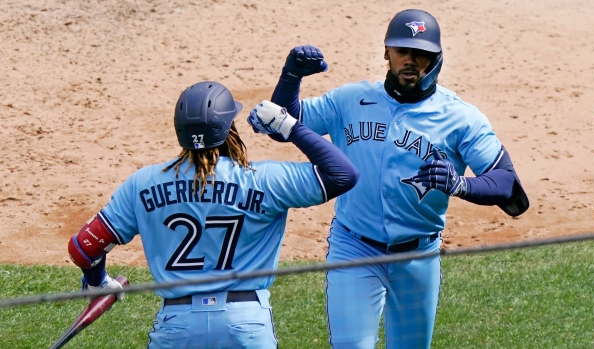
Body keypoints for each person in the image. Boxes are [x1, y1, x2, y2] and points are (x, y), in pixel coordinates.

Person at [269, 9, 529, 349]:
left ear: (436, 59)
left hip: (419, 254)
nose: (411, 61)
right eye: (403, 51)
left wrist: (458, 184)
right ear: (386, 52)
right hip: (354, 248)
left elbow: (506, 182)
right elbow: (282, 123)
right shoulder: (350, 100)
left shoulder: (461, 117)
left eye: (421, 54)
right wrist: (291, 77)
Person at [66, 81, 359, 349]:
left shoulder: (142, 183)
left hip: (176, 326)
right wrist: (290, 127)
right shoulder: (265, 179)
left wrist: (98, 282)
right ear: (229, 128)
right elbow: (342, 174)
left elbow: (84, 248)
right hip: (245, 323)